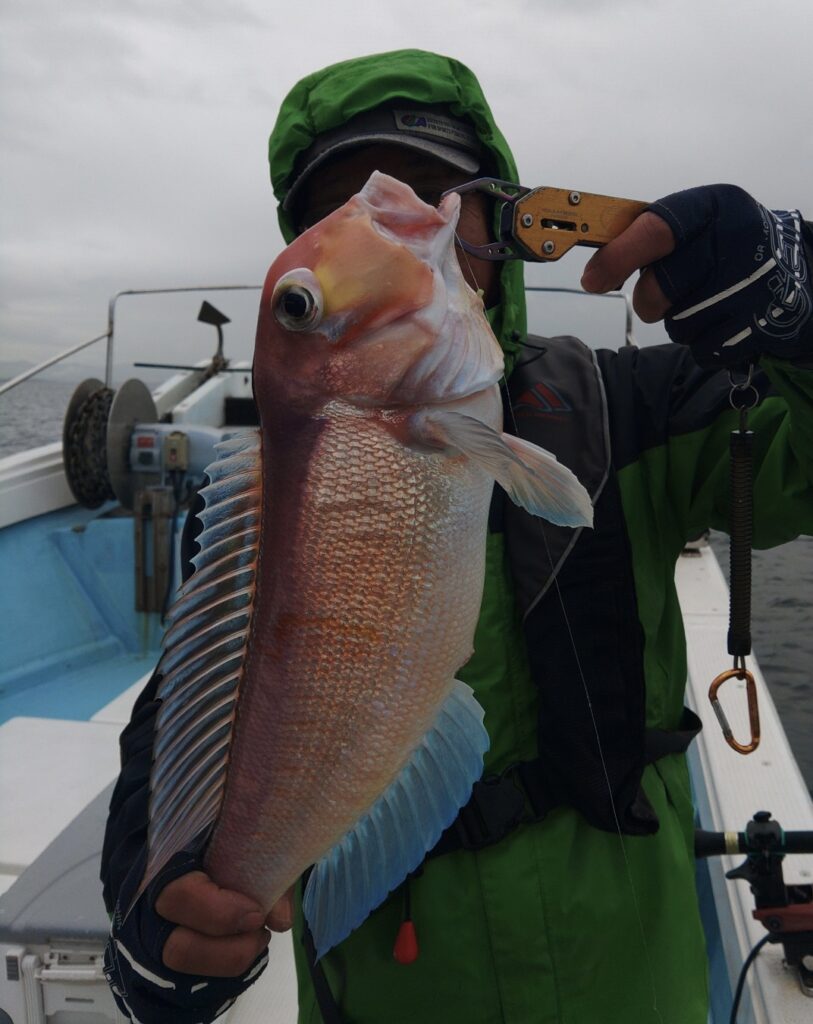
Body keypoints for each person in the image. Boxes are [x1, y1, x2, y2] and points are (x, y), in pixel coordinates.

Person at [100, 49, 813, 1024]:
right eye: (333, 211)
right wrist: (158, 914)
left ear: (501, 223)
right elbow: (198, 694)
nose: (387, 208)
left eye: (435, 189)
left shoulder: (633, 406)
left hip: (630, 985)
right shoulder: (268, 491)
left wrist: (801, 315)